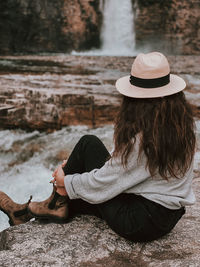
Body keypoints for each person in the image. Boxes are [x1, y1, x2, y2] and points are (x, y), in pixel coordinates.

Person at [0, 52, 196, 242]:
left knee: (87, 145)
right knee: (83, 187)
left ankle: (42, 207)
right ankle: (29, 212)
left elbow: (107, 180)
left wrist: (65, 182)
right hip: (167, 217)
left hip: (138, 222)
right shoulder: (181, 126)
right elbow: (130, 169)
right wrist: (77, 175)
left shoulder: (144, 139)